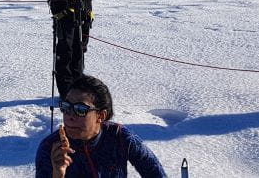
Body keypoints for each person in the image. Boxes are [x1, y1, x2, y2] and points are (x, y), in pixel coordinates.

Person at [36, 75, 166, 178]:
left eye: (80, 109)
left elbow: (155, 172)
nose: (69, 116)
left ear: (101, 116)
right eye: (66, 107)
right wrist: (58, 174)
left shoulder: (119, 137)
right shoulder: (51, 147)